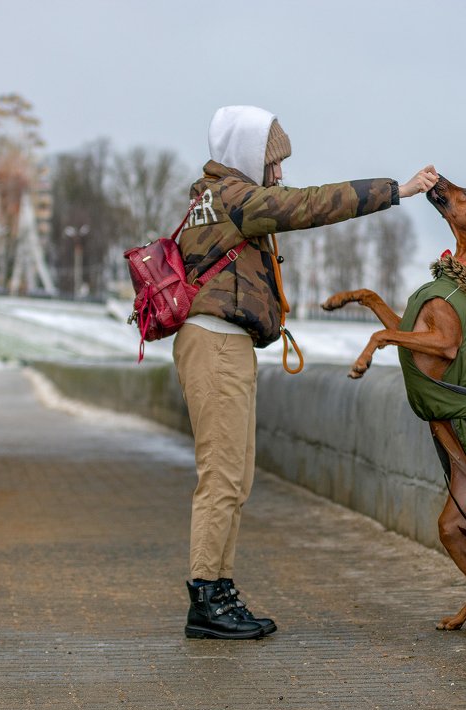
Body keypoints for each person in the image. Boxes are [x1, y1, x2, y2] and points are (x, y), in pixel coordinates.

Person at [174, 105, 437, 639]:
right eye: (272, 163)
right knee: (223, 477)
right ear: (247, 158)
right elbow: (310, 205)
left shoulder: (214, 199)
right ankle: (206, 599)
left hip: (222, 345)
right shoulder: (233, 198)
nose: (279, 175)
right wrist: (397, 190)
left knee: (234, 476)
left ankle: (220, 592)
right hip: (216, 347)